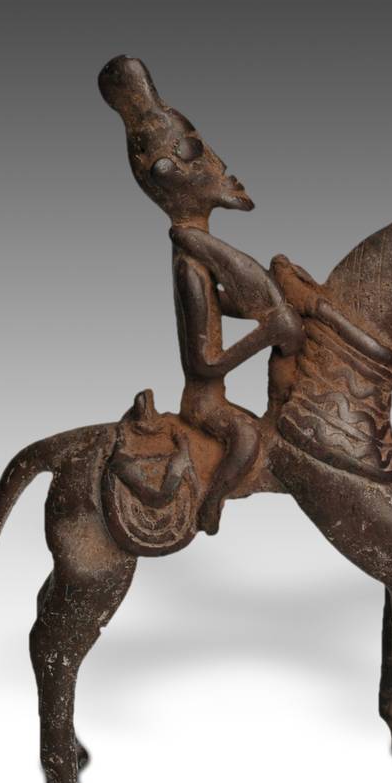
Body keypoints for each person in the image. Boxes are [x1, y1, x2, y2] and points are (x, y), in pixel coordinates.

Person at [99, 56, 302, 534]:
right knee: (247, 440)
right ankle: (210, 508)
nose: (221, 165)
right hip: (205, 403)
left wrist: (272, 308)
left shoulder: (198, 256)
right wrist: (268, 331)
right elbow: (205, 362)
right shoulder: (190, 265)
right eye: (199, 155)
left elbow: (216, 308)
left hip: (213, 391)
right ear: (171, 175)